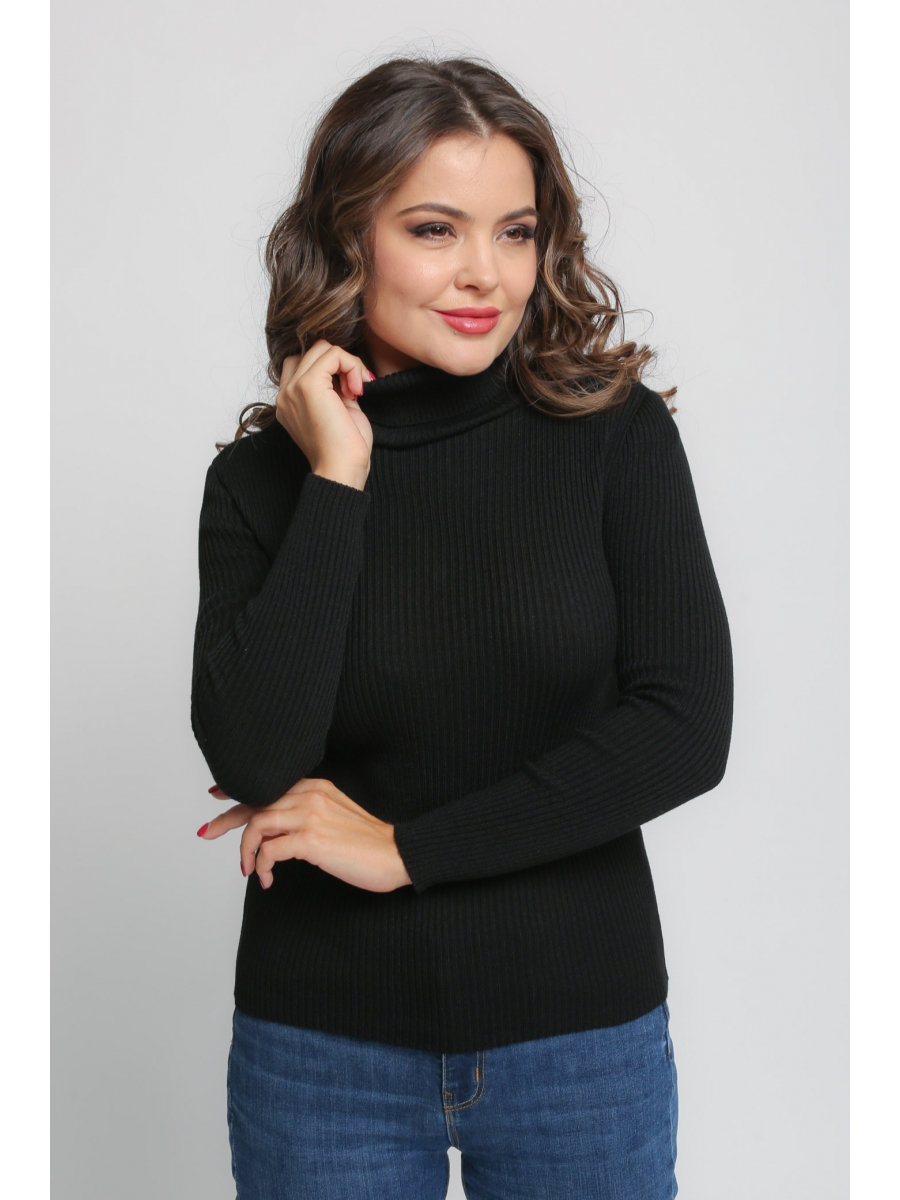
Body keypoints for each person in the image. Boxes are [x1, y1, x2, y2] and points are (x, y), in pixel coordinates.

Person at [191, 55, 733, 1200]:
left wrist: (406, 852)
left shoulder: (613, 436)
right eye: (435, 229)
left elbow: (685, 728)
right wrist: (338, 481)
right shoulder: (261, 484)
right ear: (350, 237)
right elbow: (256, 757)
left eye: (516, 232)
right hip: (320, 1049)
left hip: (580, 1040)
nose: (486, 273)